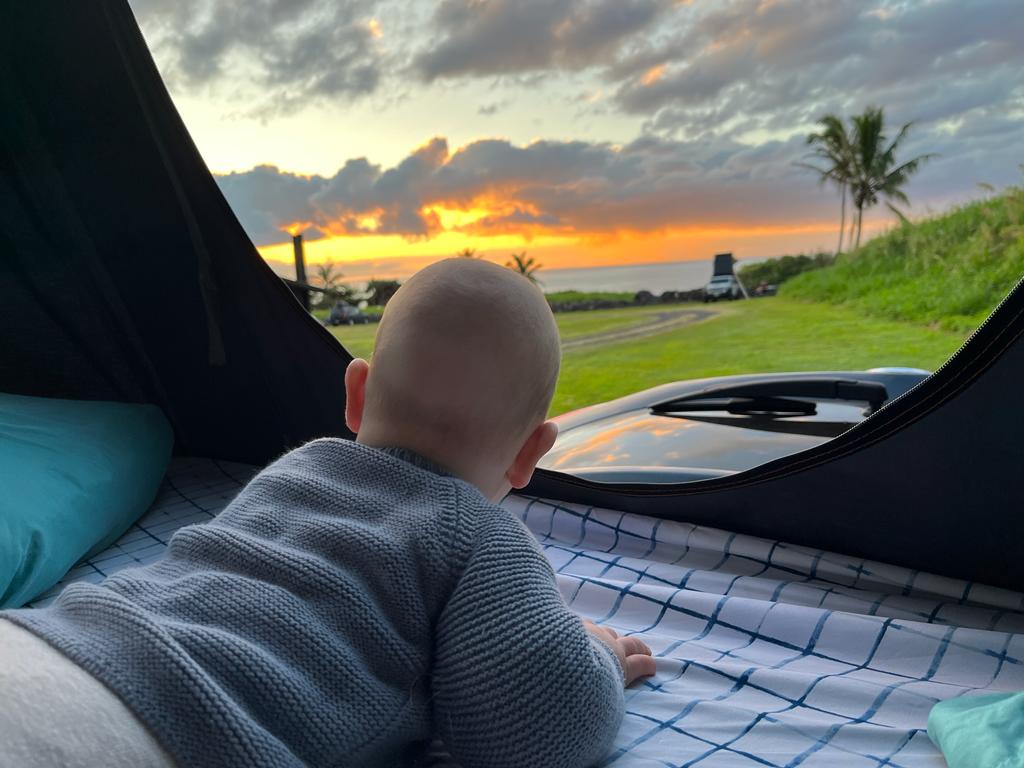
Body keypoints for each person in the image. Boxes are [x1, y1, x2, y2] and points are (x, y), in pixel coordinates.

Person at [0, 258, 656, 768]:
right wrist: (598, 657)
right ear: (530, 453)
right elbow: (538, 733)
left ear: (357, 394)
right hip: (173, 725)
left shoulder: (296, 467)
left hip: (50, 643)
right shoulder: (480, 539)